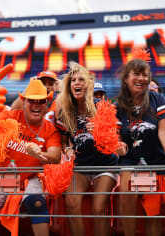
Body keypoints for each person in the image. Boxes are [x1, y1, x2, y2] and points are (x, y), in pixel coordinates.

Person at [0, 79, 61, 236]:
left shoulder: (50, 130)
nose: (36, 105)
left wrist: (40, 154)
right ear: (24, 101)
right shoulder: (10, 117)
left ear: (47, 103)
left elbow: (55, 156)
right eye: (31, 101)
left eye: (41, 101)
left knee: (37, 202)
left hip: (28, 178)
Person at [116, 54, 165, 236]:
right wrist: (118, 145)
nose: (142, 78)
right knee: (126, 202)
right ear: (126, 78)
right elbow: (116, 136)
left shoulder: (157, 98)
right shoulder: (118, 105)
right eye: (136, 74)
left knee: (152, 213)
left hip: (155, 160)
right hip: (129, 161)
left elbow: (163, 130)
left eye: (145, 75)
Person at [55, 62, 118, 236]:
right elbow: (64, 139)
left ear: (88, 84)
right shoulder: (65, 112)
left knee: (98, 208)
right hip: (80, 166)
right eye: (73, 80)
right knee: (71, 203)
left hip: (105, 165)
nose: (77, 83)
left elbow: (115, 140)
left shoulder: (102, 107)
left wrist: (100, 132)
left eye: (81, 79)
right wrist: (67, 149)